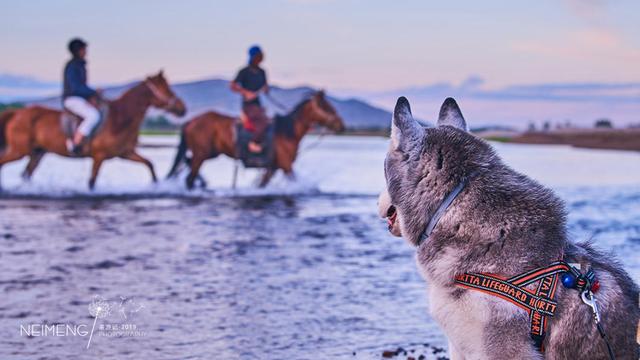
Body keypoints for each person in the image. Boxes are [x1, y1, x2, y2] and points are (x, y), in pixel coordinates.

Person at [62, 38, 102, 154]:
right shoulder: (72, 66)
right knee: (93, 115)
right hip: (72, 99)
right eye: (84, 49)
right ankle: (75, 142)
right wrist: (93, 92)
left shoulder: (80, 65)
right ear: (78, 51)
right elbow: (76, 87)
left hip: (79, 98)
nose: (86, 51)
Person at [230, 45, 270, 153]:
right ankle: (253, 143)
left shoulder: (262, 72)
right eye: (258, 57)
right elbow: (232, 86)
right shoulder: (244, 72)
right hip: (247, 105)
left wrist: (265, 89)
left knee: (269, 121)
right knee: (262, 122)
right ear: (253, 57)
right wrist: (245, 92)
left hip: (258, 104)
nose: (260, 59)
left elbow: (265, 87)